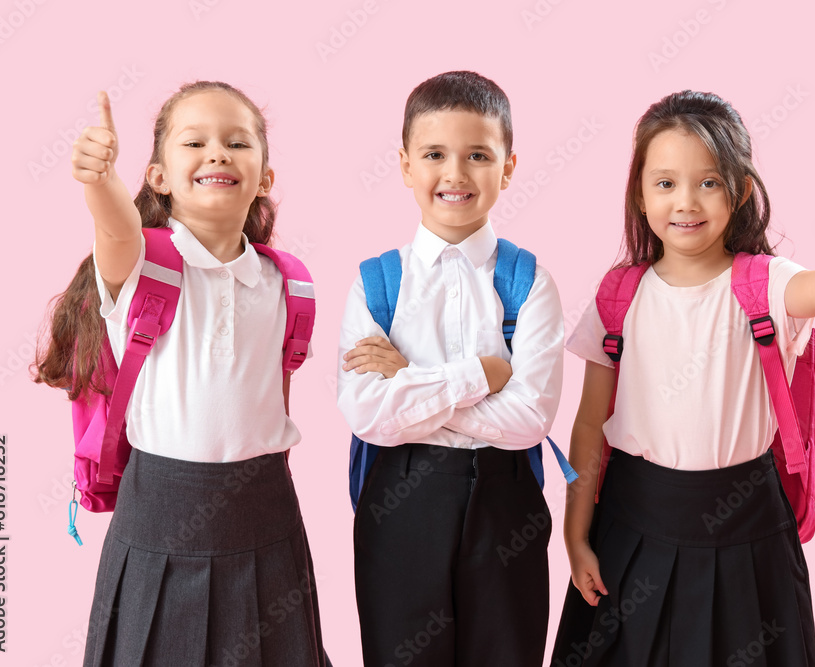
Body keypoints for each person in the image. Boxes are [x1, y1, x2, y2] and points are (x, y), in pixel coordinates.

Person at [551, 90, 815, 666]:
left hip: (748, 528)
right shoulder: (618, 297)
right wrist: (576, 536)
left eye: (708, 182)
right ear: (639, 193)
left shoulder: (767, 285)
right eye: (665, 183)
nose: (686, 201)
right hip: (632, 527)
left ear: (741, 190)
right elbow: (588, 426)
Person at [35, 81, 330, 666]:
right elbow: (117, 230)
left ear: (265, 178)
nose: (217, 153)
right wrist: (98, 180)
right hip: (158, 518)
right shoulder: (142, 266)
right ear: (158, 177)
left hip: (267, 513)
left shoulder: (286, 282)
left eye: (237, 143)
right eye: (194, 141)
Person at [337, 70, 564, 666]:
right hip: (401, 501)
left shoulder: (530, 283)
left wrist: (408, 378)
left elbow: (528, 421)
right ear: (407, 165)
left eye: (478, 155)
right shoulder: (376, 284)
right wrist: (481, 376)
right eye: (434, 154)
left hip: (506, 503)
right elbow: (367, 415)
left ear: (508, 167)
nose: (455, 173)